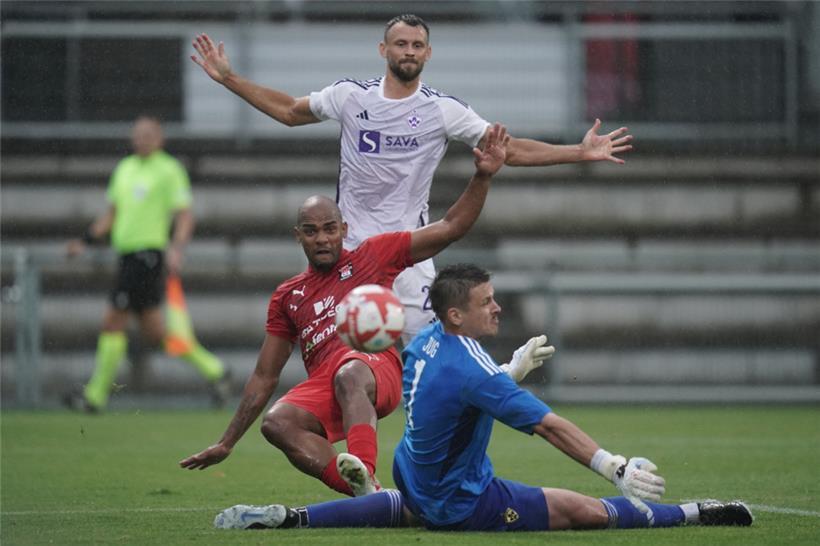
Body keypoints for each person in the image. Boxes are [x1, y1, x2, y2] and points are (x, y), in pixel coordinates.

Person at [209, 264, 754, 532]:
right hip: (462, 499)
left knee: (409, 508)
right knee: (585, 513)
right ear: (455, 314)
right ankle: (691, 513)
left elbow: (457, 388)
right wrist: (612, 465)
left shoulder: (426, 342)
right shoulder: (472, 370)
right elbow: (549, 426)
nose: (496, 308)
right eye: (486, 302)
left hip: (411, 474)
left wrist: (506, 369)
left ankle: (292, 519)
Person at [190, 13, 634, 342]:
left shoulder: (443, 110)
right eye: (400, 44)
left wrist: (578, 151)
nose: (408, 52)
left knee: (428, 352)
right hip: (351, 253)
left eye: (417, 45)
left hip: (409, 254)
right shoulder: (350, 97)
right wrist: (229, 79)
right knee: (340, 359)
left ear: (428, 53)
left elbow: (507, 148)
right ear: (383, 51)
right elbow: (289, 111)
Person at [181, 125, 550, 497]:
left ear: (344, 228)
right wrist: (227, 442)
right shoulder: (287, 296)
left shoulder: (373, 256)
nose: (322, 238)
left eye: (329, 229)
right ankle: (368, 493)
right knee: (277, 422)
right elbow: (264, 376)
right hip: (328, 381)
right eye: (311, 231)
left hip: (376, 368)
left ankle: (363, 467)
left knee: (351, 372)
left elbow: (451, 227)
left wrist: (483, 176)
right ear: (298, 236)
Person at [64, 115, 229, 412]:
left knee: (112, 321)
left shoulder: (168, 169)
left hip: (147, 257)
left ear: (160, 138)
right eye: (138, 134)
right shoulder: (125, 169)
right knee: (156, 333)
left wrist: (177, 248)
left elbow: (184, 215)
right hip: (127, 257)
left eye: (149, 134)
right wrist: (85, 240)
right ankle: (216, 370)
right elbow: (111, 215)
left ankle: (95, 396)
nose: (142, 139)